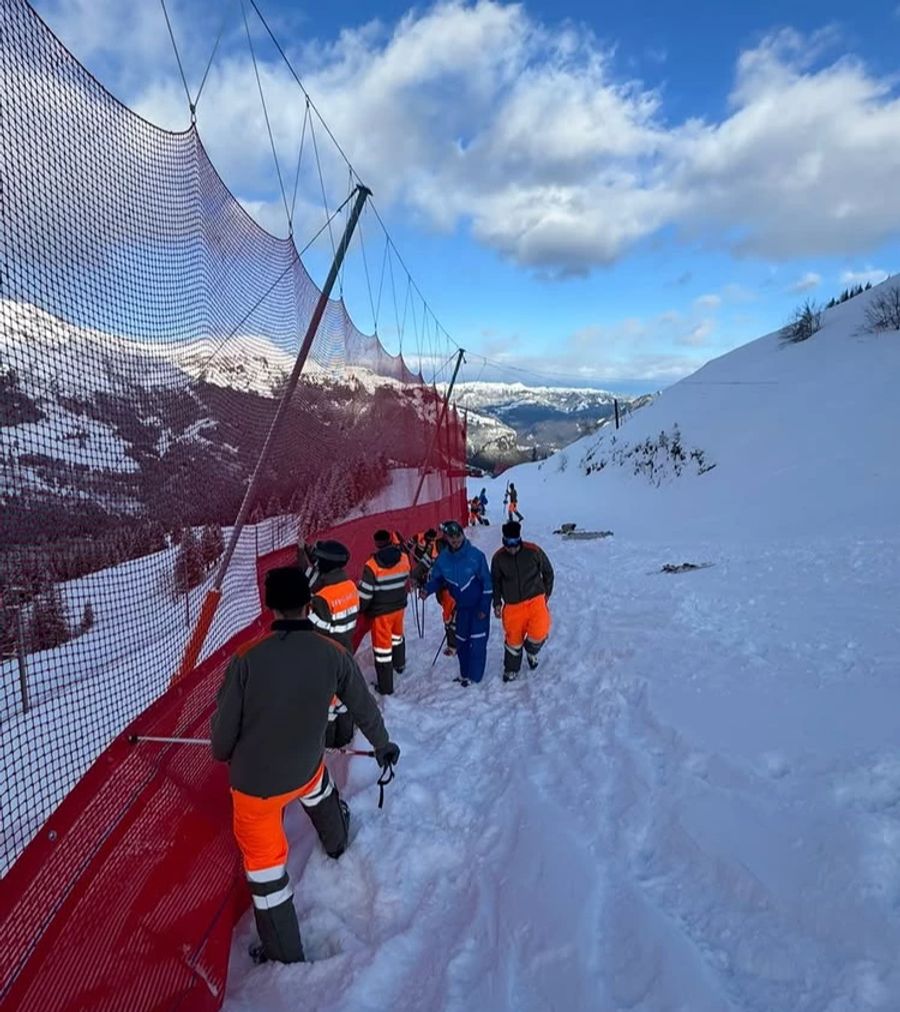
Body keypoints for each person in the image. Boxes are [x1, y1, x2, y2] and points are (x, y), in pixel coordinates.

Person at [210, 566, 400, 964]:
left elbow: (221, 740)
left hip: (254, 789)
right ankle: (337, 841)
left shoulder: (246, 660)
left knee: (266, 877)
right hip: (306, 768)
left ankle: (284, 954)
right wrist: (383, 745)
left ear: (270, 607)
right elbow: (363, 706)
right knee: (321, 789)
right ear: (309, 604)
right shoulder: (332, 655)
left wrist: (230, 751)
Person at [298, 539, 359, 748]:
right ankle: (346, 736)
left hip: (327, 658)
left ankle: (332, 744)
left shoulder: (322, 599)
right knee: (344, 698)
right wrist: (306, 554)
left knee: (328, 705)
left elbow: (311, 630)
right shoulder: (349, 586)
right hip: (346, 650)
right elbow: (317, 578)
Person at [420, 519, 492, 686]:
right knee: (462, 641)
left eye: (458, 535)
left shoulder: (476, 556)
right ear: (446, 538)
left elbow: (488, 584)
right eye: (451, 537)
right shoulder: (443, 559)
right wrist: (427, 590)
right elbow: (438, 580)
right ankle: (465, 675)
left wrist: (484, 606)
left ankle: (475, 679)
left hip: (478, 609)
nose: (455, 540)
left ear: (463, 534)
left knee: (478, 643)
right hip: (461, 609)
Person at [491, 521, 554, 681]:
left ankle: (532, 651)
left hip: (535, 600)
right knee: (514, 640)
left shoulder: (533, 551)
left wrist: (545, 594)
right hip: (513, 606)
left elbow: (548, 572)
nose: (511, 548)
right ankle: (511, 669)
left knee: (540, 631)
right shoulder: (498, 558)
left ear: (519, 539)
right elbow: (495, 582)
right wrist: (497, 603)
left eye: (514, 543)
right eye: (507, 543)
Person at [358, 529, 411, 694]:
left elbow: (365, 594)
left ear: (376, 543)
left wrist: (361, 608)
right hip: (399, 607)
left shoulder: (371, 565)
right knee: (397, 636)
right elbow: (404, 577)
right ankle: (399, 664)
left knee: (382, 651)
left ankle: (386, 687)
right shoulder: (403, 558)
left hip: (381, 613)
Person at [410, 529, 456, 656]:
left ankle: (453, 645)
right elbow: (424, 563)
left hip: (455, 587)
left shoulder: (460, 545)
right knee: (449, 616)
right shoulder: (435, 546)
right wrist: (414, 576)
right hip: (440, 588)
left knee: (451, 616)